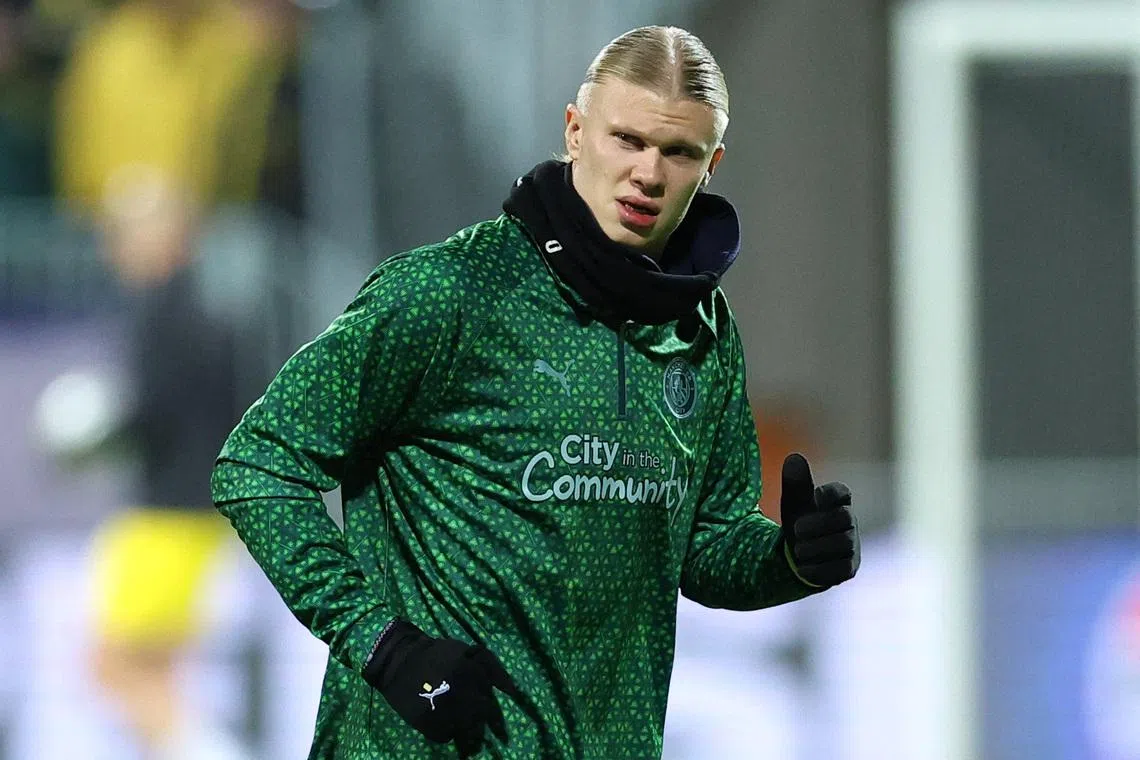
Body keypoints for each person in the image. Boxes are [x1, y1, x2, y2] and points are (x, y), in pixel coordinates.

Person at [211, 24, 861, 759]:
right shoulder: (449, 293)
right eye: (626, 139)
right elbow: (257, 465)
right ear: (575, 132)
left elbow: (703, 548)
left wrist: (788, 561)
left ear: (710, 165)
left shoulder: (704, 331)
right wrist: (385, 647)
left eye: (677, 152)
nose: (648, 172)